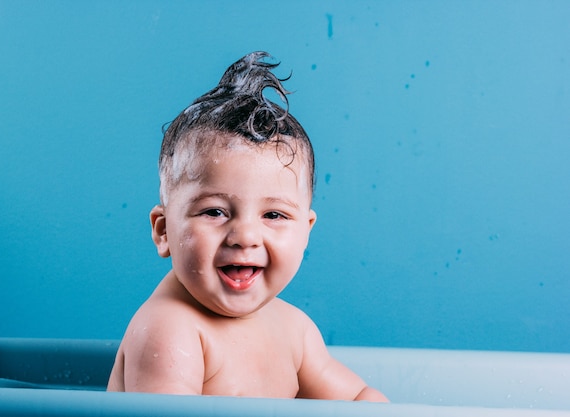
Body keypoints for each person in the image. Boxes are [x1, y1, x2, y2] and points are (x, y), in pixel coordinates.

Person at [107, 51, 388, 402]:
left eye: (274, 215)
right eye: (215, 212)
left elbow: (358, 398)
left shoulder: (293, 330)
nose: (245, 237)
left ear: (306, 231)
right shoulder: (170, 329)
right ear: (164, 231)